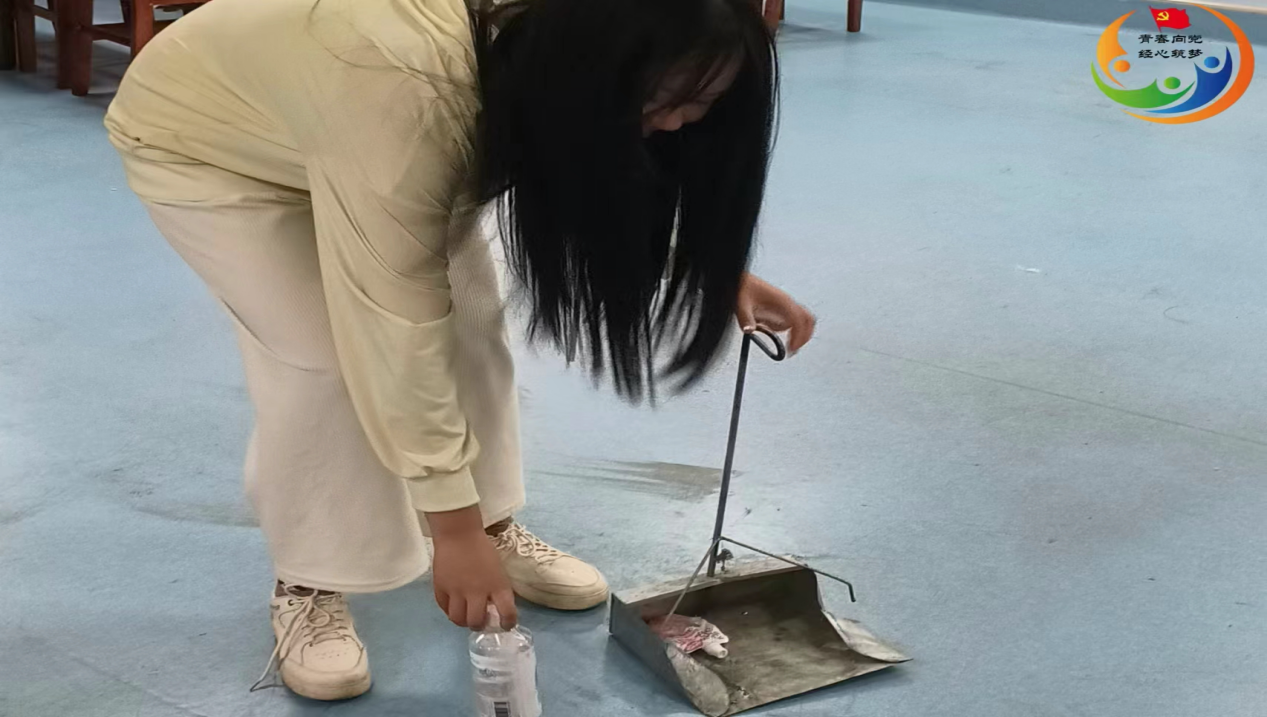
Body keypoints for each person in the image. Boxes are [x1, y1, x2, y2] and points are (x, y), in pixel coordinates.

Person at [105, 0, 816, 702]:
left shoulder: (544, 50)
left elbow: (596, 167)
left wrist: (708, 270)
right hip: (214, 144)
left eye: (701, 105)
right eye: (665, 101)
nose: (678, 124)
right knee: (325, 360)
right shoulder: (409, 88)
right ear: (594, 61)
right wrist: (448, 525)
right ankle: (311, 578)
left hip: (357, 125)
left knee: (474, 317)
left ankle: (491, 524)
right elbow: (395, 319)